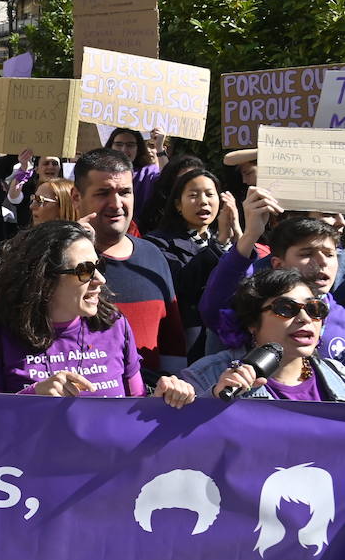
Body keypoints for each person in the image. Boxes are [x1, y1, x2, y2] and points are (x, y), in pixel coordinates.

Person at [0, 221, 195, 404]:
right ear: (44, 279)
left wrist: (164, 398)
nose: (100, 280)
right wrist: (31, 397)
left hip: (107, 462)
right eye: (85, 271)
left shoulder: (115, 325)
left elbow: (135, 404)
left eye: (98, 266)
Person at [71, 149, 186, 381]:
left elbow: (172, 339)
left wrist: (173, 387)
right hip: (82, 405)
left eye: (125, 192)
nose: (116, 204)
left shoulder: (152, 255)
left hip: (148, 406)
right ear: (76, 197)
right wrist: (73, 247)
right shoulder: (52, 257)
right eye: (103, 193)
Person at [201, 210, 345, 363]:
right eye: (306, 254)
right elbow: (214, 310)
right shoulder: (257, 306)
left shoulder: (341, 315)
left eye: (329, 254)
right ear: (278, 264)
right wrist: (250, 235)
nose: (322, 262)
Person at [183, 269, 345, 400]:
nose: (305, 318)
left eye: (314, 309)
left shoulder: (339, 374)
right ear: (252, 323)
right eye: (286, 308)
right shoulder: (206, 376)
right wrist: (213, 399)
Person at [146, 168, 237, 357]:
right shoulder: (157, 242)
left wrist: (237, 236)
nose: (203, 201)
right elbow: (183, 283)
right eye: (193, 195)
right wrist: (220, 244)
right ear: (178, 205)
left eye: (210, 194)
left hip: (229, 338)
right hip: (189, 342)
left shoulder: (226, 239)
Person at [106, 127, 165, 216]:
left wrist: (159, 147)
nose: (124, 150)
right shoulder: (99, 172)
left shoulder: (147, 172)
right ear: (111, 146)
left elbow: (168, 179)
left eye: (130, 145)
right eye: (119, 144)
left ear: (138, 148)